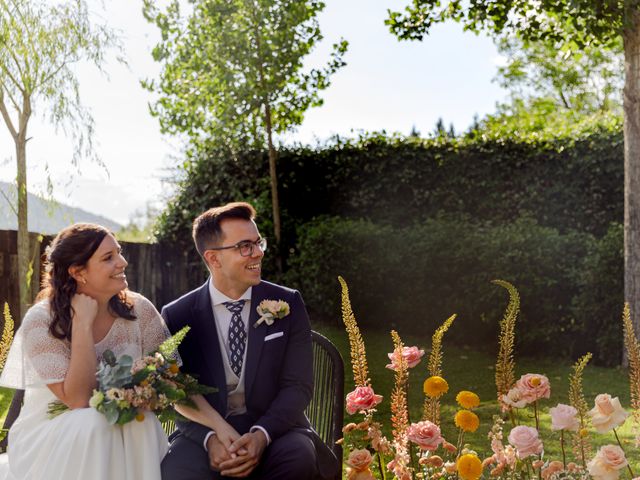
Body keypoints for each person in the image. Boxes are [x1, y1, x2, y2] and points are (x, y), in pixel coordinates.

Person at [160, 202, 339, 480]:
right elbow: (177, 393)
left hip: (276, 428)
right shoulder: (177, 315)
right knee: (176, 467)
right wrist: (211, 439)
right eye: (245, 246)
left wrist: (261, 435)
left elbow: (298, 386)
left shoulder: (287, 303)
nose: (258, 253)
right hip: (205, 433)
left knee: (298, 458)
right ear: (213, 258)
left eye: (258, 243)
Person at [0, 223, 169, 480]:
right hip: (49, 434)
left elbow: (169, 377)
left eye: (119, 252)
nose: (123, 262)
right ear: (78, 272)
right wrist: (82, 323)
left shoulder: (140, 310)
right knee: (97, 422)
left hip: (121, 426)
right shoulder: (42, 320)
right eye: (108, 257)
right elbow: (78, 400)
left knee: (140, 422)